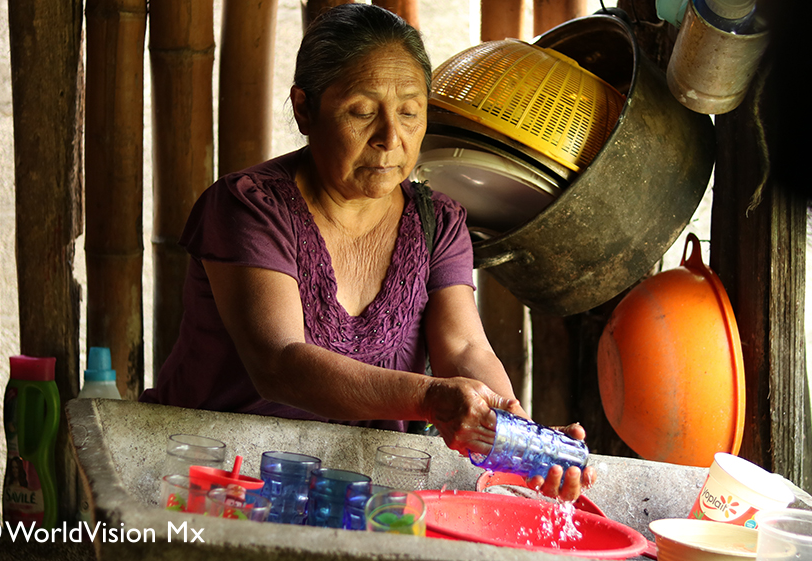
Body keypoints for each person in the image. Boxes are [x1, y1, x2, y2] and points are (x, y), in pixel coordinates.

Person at [140, 3, 593, 501]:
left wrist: (517, 435)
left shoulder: (436, 222)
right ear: (304, 109)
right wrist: (430, 399)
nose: (390, 139)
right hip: (215, 479)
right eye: (361, 112)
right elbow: (280, 363)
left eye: (410, 113)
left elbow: (464, 350)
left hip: (356, 494)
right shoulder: (249, 208)